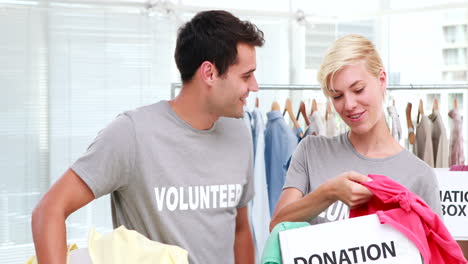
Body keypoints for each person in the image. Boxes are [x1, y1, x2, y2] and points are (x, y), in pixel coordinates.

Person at [32, 10, 264, 264]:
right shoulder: (132, 134)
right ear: (209, 73)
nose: (254, 86)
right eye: (246, 76)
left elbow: (240, 229)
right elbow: (49, 211)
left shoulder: (238, 132)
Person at [269, 34, 442, 230]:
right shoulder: (311, 151)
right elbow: (277, 225)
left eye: (358, 90)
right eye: (337, 96)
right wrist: (329, 192)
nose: (349, 105)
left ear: (382, 79)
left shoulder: (419, 175)